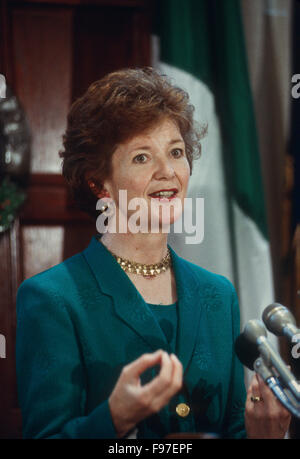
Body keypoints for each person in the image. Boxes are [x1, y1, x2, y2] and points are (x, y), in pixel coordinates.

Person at [16, 67, 291, 439]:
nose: (168, 172)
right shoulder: (51, 298)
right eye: (142, 157)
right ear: (100, 183)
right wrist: (114, 417)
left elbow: (233, 429)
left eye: (176, 152)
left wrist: (263, 434)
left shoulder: (218, 294)